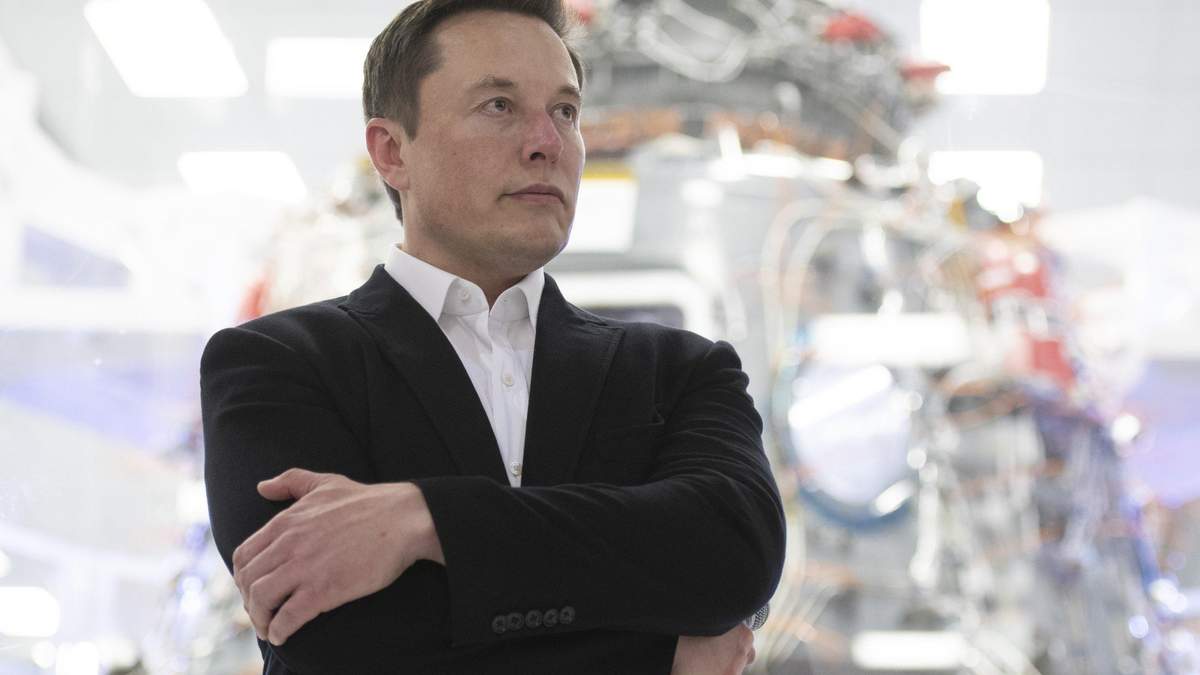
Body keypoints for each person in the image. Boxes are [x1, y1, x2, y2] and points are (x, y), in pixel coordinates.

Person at [200, 1, 786, 672]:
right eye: (499, 106)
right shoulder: (277, 364)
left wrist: (425, 520)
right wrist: (660, 654)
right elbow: (340, 644)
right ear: (392, 151)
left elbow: (735, 556)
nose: (547, 141)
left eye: (565, 111)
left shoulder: (678, 371)